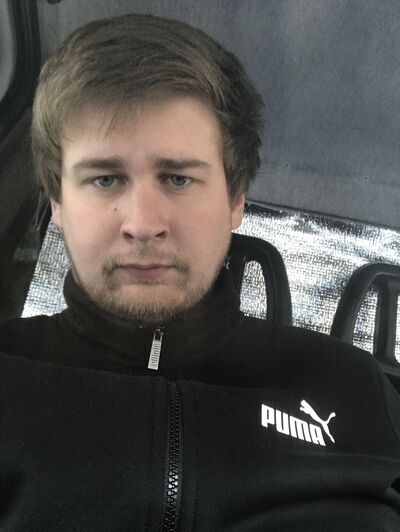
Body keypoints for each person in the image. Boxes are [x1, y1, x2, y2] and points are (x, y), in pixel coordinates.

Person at [0, 13, 399, 531]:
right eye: (104, 179)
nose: (142, 225)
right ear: (57, 202)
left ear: (235, 201)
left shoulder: (357, 390)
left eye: (178, 179)